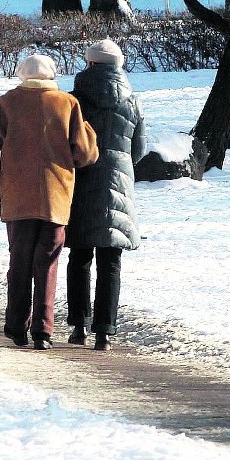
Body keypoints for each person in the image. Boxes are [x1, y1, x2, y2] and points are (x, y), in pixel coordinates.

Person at [0, 53, 98, 350]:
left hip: (17, 198)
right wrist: (89, 132)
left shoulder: (8, 102)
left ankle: (17, 326)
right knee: (48, 263)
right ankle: (43, 331)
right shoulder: (67, 104)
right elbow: (84, 153)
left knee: (19, 262)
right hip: (56, 196)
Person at [66, 39, 147, 352]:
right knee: (111, 260)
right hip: (119, 184)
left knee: (80, 256)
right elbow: (139, 150)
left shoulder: (74, 100)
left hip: (81, 183)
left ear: (90, 64)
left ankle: (78, 325)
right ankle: (105, 331)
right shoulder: (133, 101)